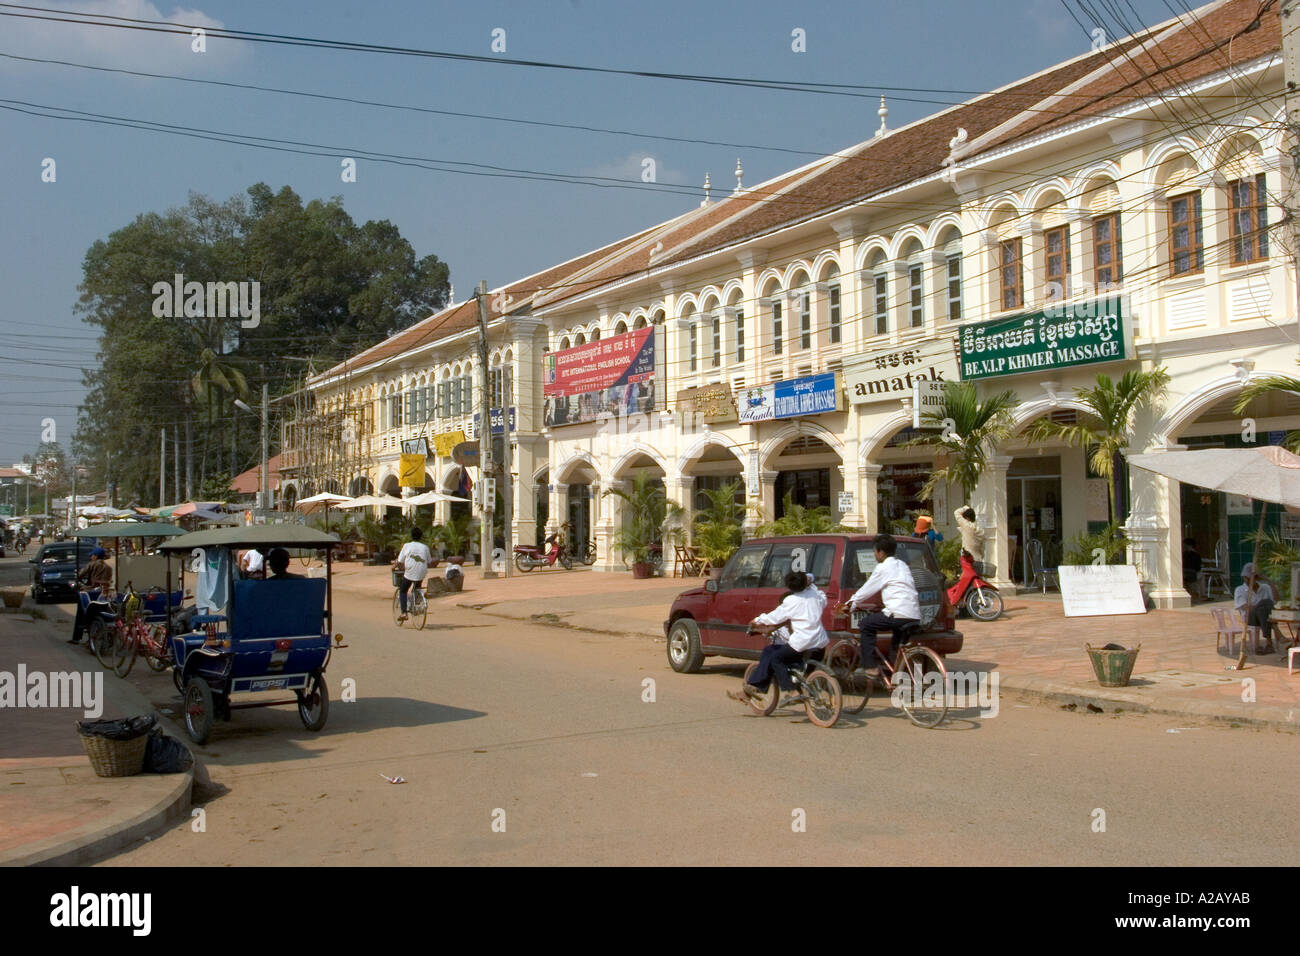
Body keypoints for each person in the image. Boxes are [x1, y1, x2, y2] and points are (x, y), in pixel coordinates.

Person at [727, 570, 828, 703]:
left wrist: (756, 620)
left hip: (802, 645)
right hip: (820, 645)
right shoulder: (815, 596)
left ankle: (790, 691)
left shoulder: (791, 601)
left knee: (775, 658)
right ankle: (752, 688)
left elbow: (773, 618)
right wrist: (811, 583)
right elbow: (821, 595)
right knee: (770, 651)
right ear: (806, 583)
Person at [839, 533, 921, 679]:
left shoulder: (883, 567)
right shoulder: (903, 565)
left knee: (866, 625)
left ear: (881, 552)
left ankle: (870, 666)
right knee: (896, 648)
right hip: (914, 615)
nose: (874, 555)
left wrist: (849, 605)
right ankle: (897, 679)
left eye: (875, 552)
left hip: (897, 614)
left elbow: (866, 589)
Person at [69, 547, 114, 644]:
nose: (91, 557)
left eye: (92, 555)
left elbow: (80, 575)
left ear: (96, 556)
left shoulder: (92, 564)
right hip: (103, 593)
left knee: (81, 614)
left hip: (90, 592)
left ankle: (76, 638)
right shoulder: (108, 567)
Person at [1234, 563, 1277, 654]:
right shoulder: (1240, 590)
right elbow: (1246, 607)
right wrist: (1261, 605)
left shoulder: (1265, 587)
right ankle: (1274, 637)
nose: (1247, 580)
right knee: (1264, 604)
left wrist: (1268, 580)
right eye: (1246, 577)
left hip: (1266, 617)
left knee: (1265, 606)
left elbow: (1276, 599)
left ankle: (1269, 646)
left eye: (1250, 577)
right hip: (1250, 618)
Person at [393, 527, 431, 621]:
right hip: (422, 572)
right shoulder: (425, 547)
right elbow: (429, 560)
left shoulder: (407, 546)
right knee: (417, 587)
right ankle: (419, 601)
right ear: (421, 537)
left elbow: (400, 560)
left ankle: (404, 613)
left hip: (410, 572)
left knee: (403, 590)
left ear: (411, 536)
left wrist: (394, 566)